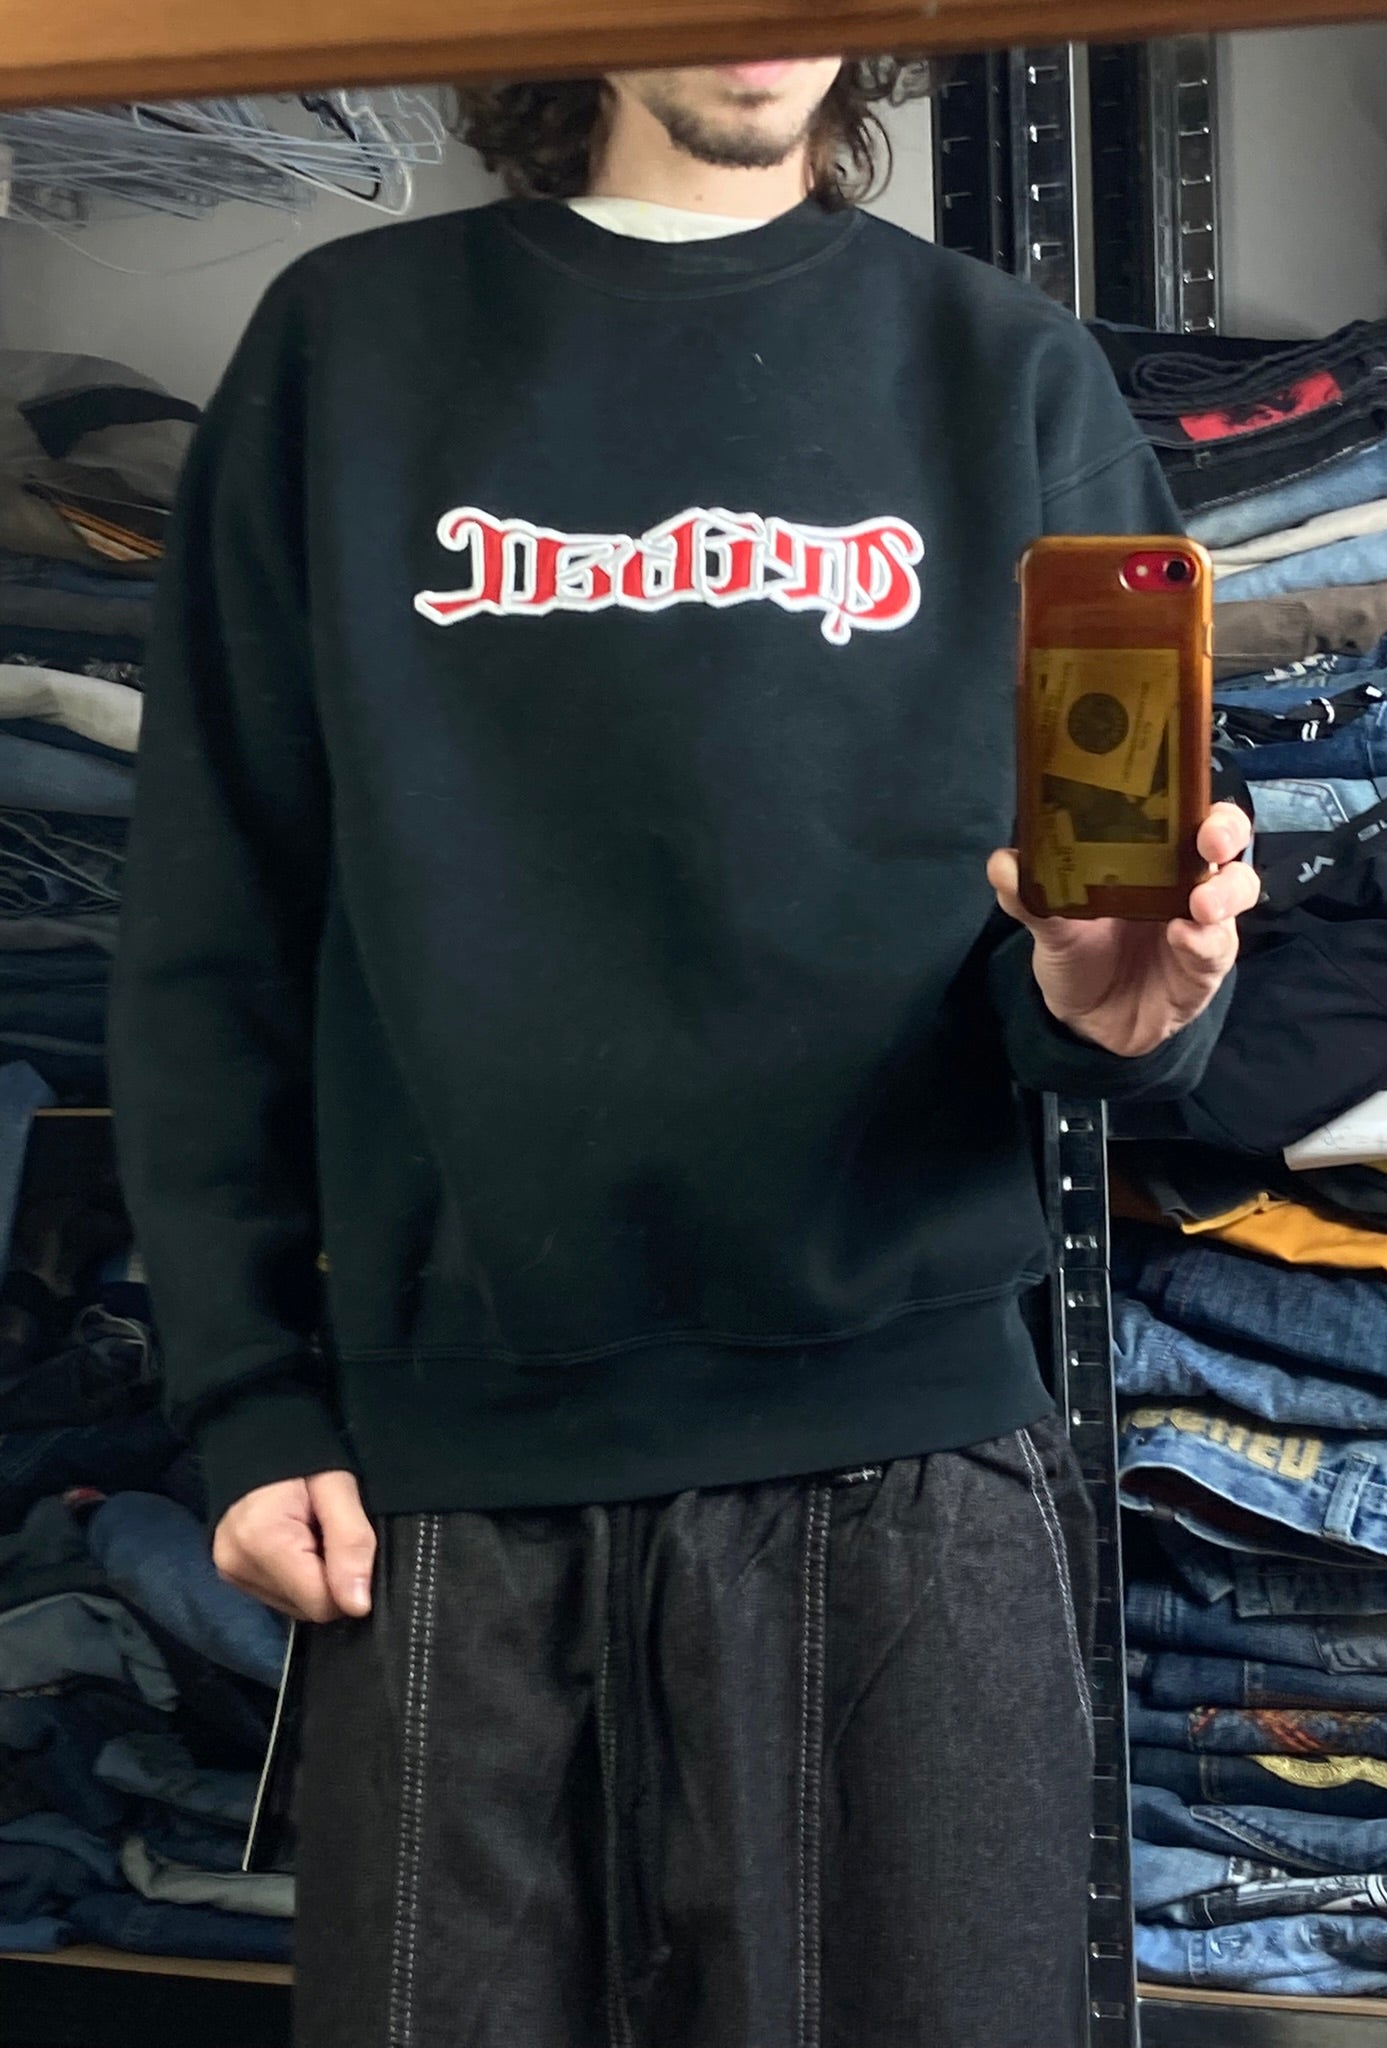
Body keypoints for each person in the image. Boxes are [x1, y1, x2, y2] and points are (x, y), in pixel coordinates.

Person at [110, 54, 1259, 2048]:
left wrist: (1114, 1010)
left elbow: (1073, 955)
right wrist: (245, 1391)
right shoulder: (348, 350)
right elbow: (215, 915)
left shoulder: (1002, 367)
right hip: (454, 1486)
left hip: (910, 1473)